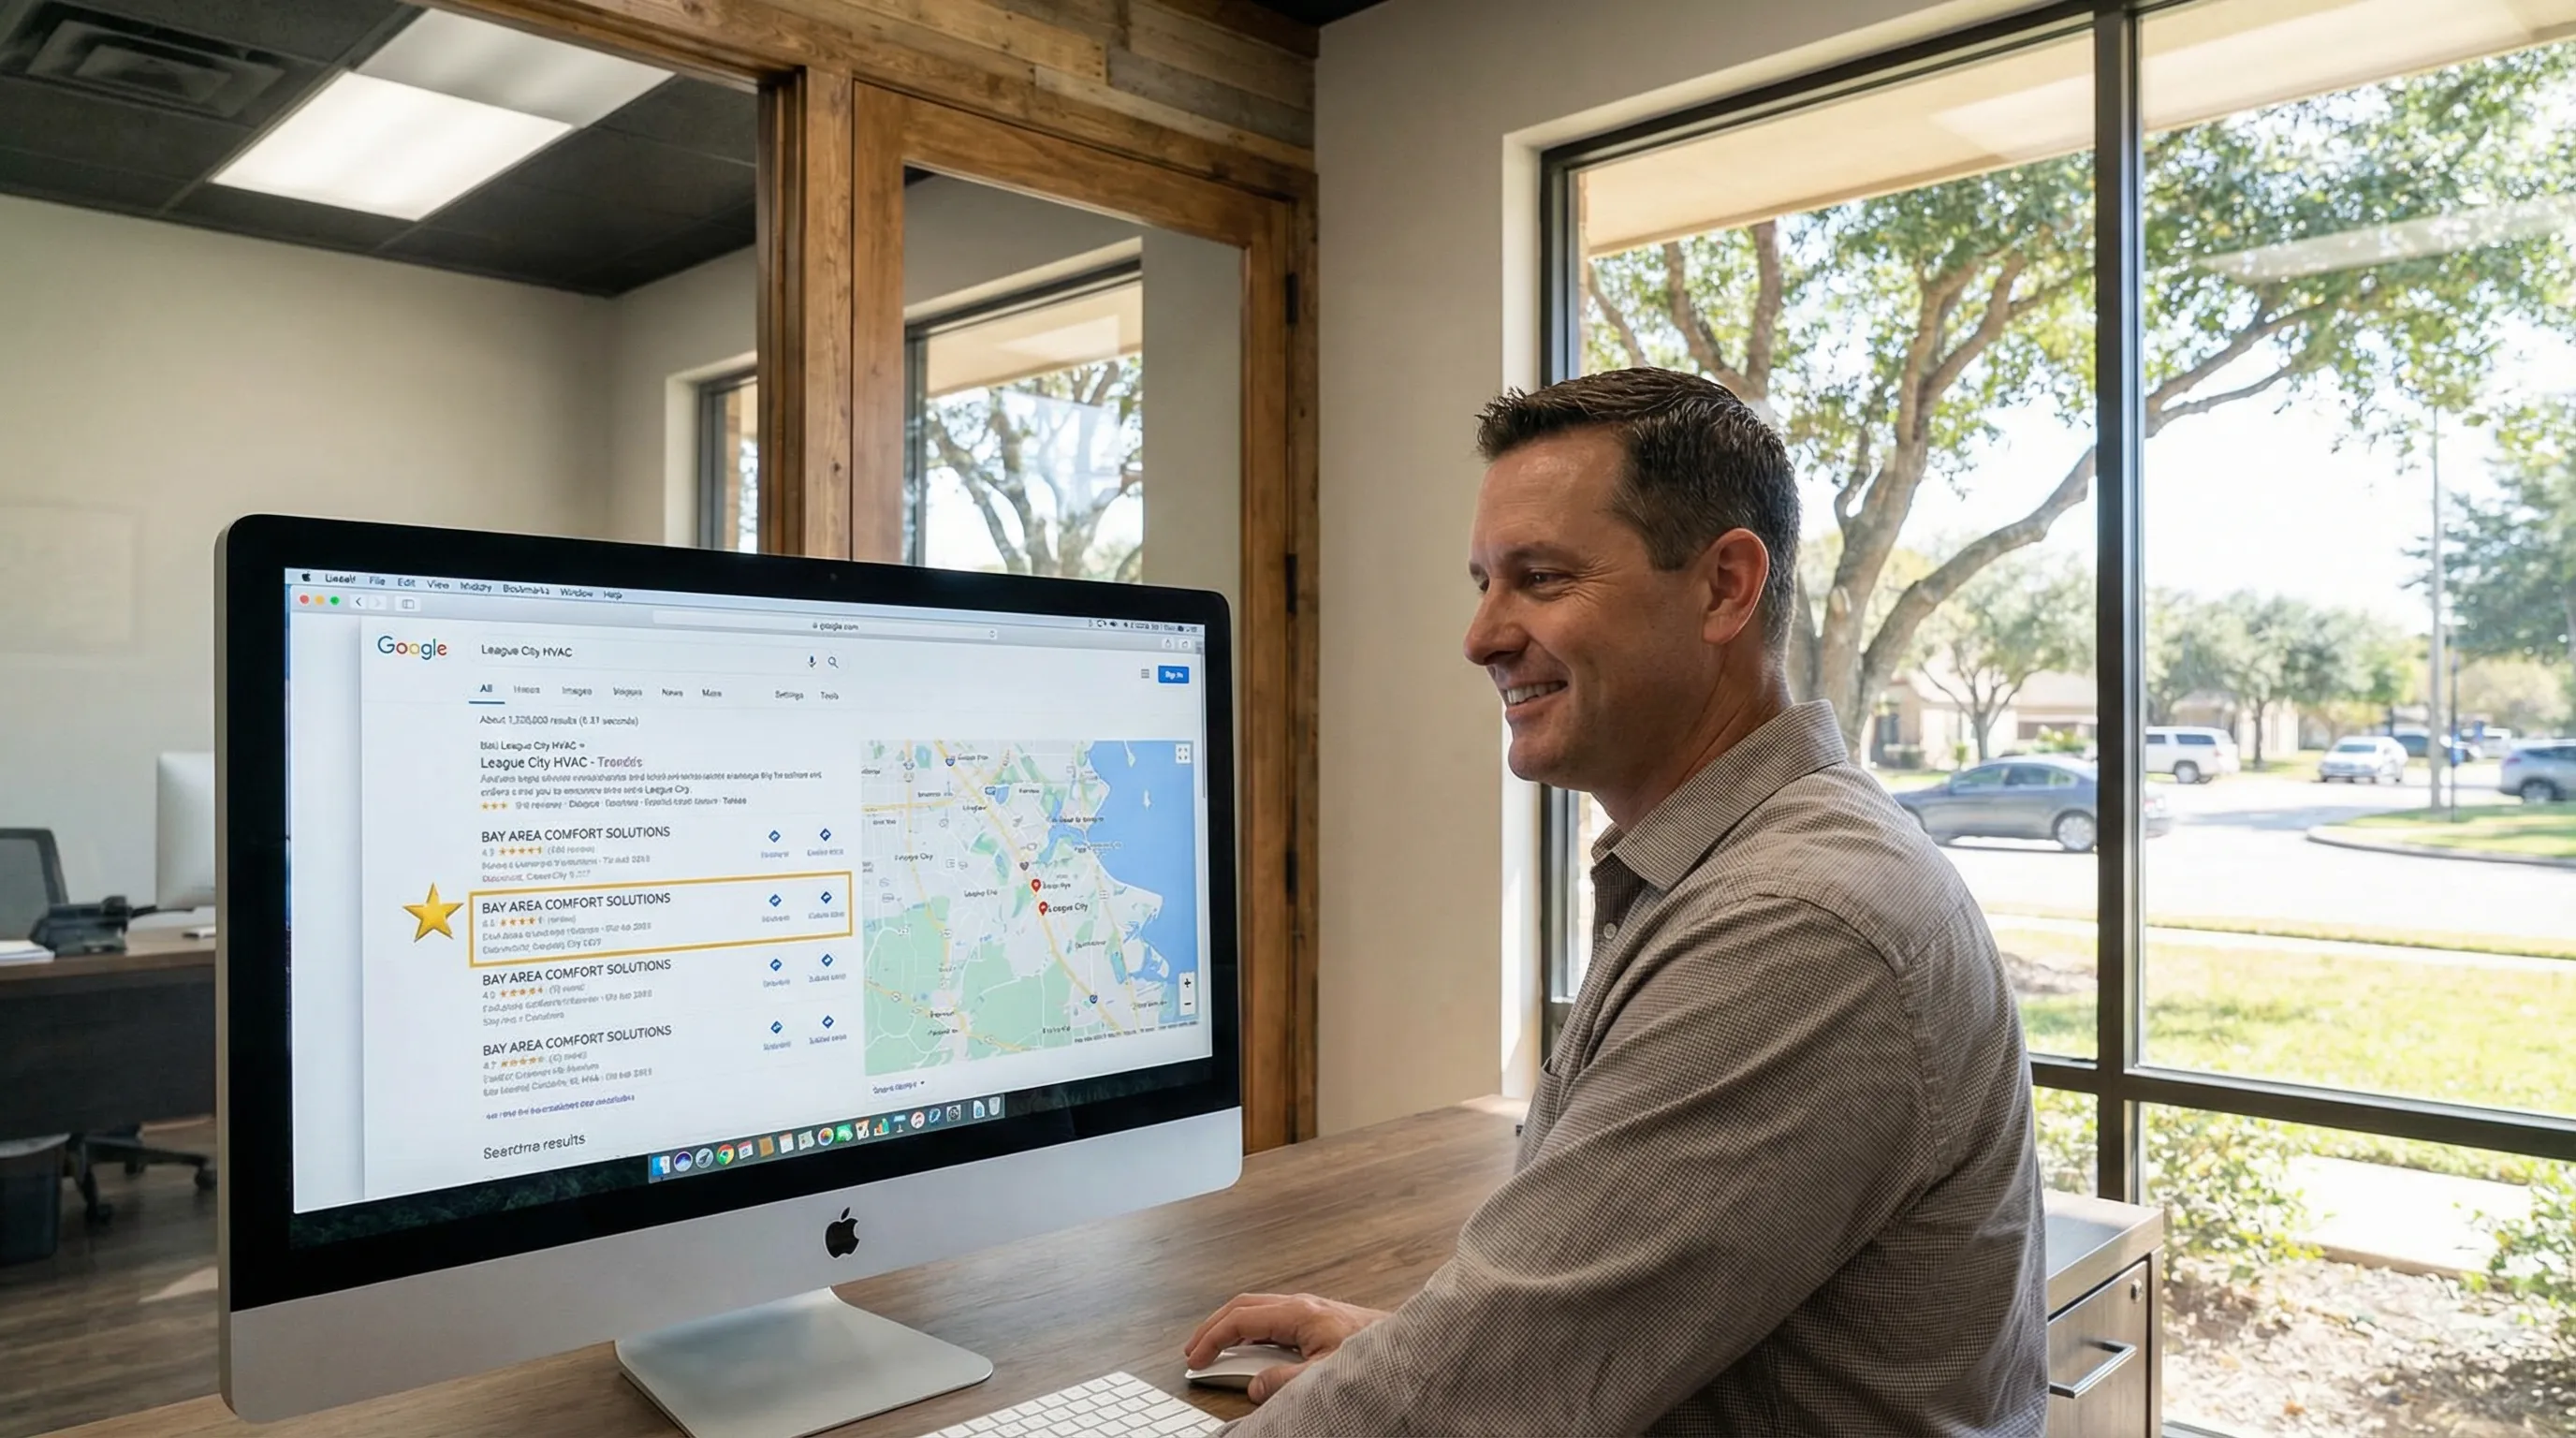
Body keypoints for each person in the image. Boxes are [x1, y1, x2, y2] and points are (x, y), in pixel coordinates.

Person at [1185, 368, 2047, 1434]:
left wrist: (1451, 1375)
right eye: (1483, 583)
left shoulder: (1795, 926)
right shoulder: (1735, 864)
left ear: (1726, 586)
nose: (1482, 637)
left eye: (1541, 578)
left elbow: (1471, 1408)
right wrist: (1423, 1351)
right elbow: (1571, 1345)